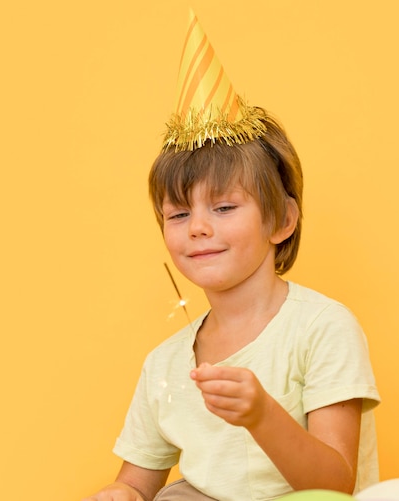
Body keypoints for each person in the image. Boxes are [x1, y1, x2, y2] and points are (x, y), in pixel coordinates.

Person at [84, 11, 380, 501]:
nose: (198, 226)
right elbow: (135, 480)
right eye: (178, 216)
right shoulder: (164, 364)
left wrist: (263, 415)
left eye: (223, 207)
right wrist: (122, 494)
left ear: (282, 221)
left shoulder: (324, 328)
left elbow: (334, 484)